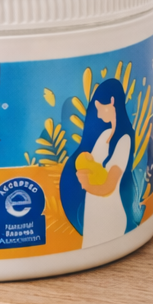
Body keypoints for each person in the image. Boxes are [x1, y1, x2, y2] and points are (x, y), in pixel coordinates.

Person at [58, 77, 137, 249]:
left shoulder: (124, 140)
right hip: (93, 211)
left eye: (100, 108)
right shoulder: (104, 136)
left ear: (112, 102)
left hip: (109, 215)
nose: (99, 115)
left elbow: (109, 185)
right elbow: (91, 165)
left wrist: (86, 184)